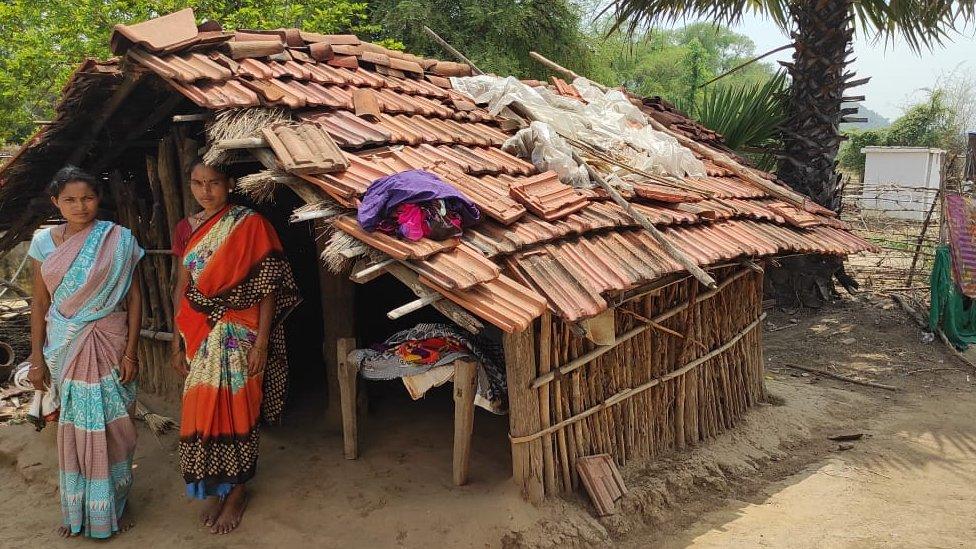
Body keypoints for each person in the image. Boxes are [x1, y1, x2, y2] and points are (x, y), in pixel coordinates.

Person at [170, 160, 300, 535]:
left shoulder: (250, 224)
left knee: (240, 408)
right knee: (200, 409)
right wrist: (177, 341)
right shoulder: (186, 228)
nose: (205, 190)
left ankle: (238, 490)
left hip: (242, 332)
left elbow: (270, 287)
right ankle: (216, 484)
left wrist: (262, 341)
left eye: (213, 182)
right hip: (198, 332)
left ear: (228, 184)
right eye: (197, 183)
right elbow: (183, 285)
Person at [27, 166, 144, 539]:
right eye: (70, 200)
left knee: (114, 428)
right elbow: (39, 303)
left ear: (99, 199)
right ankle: (79, 507)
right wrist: (36, 358)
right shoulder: (43, 243)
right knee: (74, 427)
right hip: (65, 345)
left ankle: (116, 503)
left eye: (88, 198)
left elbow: (134, 298)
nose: (80, 206)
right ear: (55, 203)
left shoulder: (119, 240)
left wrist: (131, 352)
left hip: (110, 341)